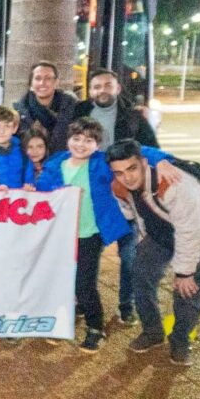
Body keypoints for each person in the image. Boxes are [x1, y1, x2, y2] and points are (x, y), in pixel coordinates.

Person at [107, 140, 200, 366]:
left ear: (144, 163)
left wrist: (184, 273)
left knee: (187, 291)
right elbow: (140, 214)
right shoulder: (120, 187)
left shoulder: (173, 184)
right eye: (119, 173)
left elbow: (192, 231)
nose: (127, 177)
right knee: (140, 272)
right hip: (165, 229)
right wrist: (142, 241)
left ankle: (180, 341)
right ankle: (153, 332)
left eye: (132, 168)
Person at [36, 118, 131, 353]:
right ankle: (61, 323)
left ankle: (95, 327)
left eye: (89, 140)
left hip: (89, 233)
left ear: (97, 145)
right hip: (61, 234)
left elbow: (139, 152)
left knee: (84, 284)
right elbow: (42, 192)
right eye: (76, 138)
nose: (81, 144)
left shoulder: (102, 163)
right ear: (68, 140)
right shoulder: (56, 163)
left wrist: (164, 162)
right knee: (60, 280)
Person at [75, 69, 160, 325]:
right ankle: (84, 299)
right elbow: (62, 145)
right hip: (92, 198)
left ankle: (126, 305)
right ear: (90, 90)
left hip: (126, 197)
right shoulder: (79, 112)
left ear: (118, 88)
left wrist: (164, 162)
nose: (102, 90)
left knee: (130, 255)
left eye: (107, 85)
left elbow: (152, 148)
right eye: (97, 86)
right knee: (88, 256)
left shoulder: (133, 118)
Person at [14, 61, 79, 154]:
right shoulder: (18, 112)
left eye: (48, 78)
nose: (42, 83)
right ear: (31, 84)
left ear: (56, 82)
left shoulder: (73, 108)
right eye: (37, 78)